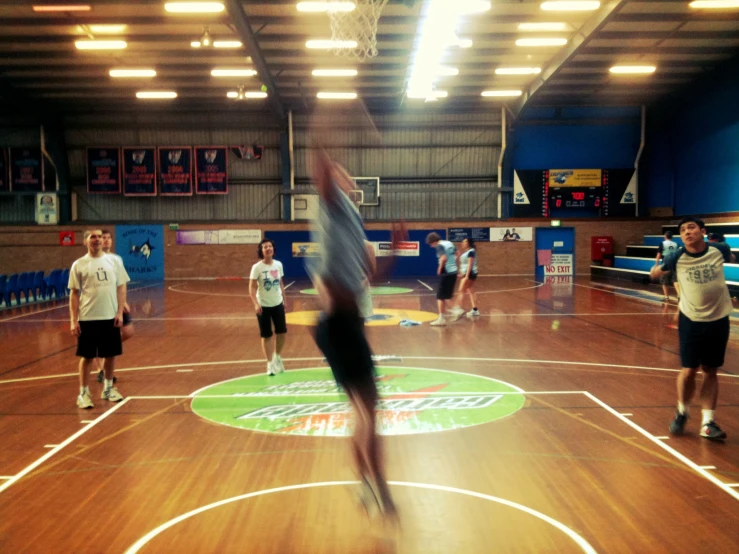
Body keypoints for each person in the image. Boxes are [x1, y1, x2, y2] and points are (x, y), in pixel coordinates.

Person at [310, 149, 398, 520]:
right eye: (342, 175)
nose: (348, 179)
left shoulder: (353, 225)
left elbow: (371, 280)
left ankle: (366, 486)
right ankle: (380, 490)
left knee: (362, 412)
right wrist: (324, 126)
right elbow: (321, 168)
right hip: (339, 323)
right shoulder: (332, 208)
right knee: (369, 410)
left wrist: (392, 250)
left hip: (345, 325)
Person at [650, 217, 735, 440]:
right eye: (683, 230)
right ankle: (682, 411)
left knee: (710, 370)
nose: (687, 232)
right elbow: (655, 273)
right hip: (691, 319)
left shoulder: (720, 249)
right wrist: (655, 272)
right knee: (689, 370)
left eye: (691, 228)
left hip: (718, 319)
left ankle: (708, 423)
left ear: (702, 231)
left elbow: (731, 256)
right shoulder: (676, 256)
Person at [69, 229, 129, 409]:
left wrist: (119, 312)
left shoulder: (114, 261)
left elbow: (121, 287)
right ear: (85, 242)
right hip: (87, 317)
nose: (97, 239)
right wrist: (73, 320)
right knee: (87, 356)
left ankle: (108, 389)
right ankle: (83, 393)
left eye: (99, 237)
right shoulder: (78, 265)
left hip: (110, 316)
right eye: (92, 237)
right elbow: (74, 294)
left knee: (110, 355)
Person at [96, 229, 134, 383]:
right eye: (103, 238)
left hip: (116, 301)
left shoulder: (116, 259)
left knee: (128, 331)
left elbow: (121, 282)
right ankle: (100, 369)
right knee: (103, 335)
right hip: (102, 303)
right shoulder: (94, 260)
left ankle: (103, 355)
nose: (105, 240)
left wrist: (123, 301)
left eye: (108, 238)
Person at [249, 239, 288, 376]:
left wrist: (285, 300)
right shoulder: (257, 268)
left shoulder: (278, 265)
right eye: (265, 247)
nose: (268, 248)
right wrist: (256, 303)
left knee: (282, 332)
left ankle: (277, 357)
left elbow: (281, 283)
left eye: (270, 246)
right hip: (263, 306)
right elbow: (252, 287)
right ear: (261, 250)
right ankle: (270, 364)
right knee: (266, 335)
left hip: (277, 303)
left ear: (273, 249)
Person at [426, 232, 459, 326]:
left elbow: (443, 258)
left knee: (439, 296)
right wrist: (453, 263)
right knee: (446, 296)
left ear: (433, 241)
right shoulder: (449, 243)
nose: (431, 246)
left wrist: (440, 268)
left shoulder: (439, 246)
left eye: (431, 244)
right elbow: (457, 254)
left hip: (446, 272)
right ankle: (454, 310)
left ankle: (444, 317)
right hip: (453, 272)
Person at [451, 237, 480, 318]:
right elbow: (464, 264)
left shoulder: (471, 252)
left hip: (469, 274)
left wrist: (466, 276)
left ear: (468, 243)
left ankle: (458, 308)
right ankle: (475, 310)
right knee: (470, 291)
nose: (462, 243)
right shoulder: (467, 252)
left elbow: (470, 264)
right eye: (463, 242)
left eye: (464, 242)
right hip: (467, 273)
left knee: (461, 290)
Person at [655, 230, 679, 301]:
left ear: (665, 236)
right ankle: (679, 295)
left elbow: (659, 254)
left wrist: (656, 265)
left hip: (665, 262)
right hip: (674, 263)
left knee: (664, 280)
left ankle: (666, 296)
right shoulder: (676, 244)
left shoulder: (662, 243)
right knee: (675, 280)